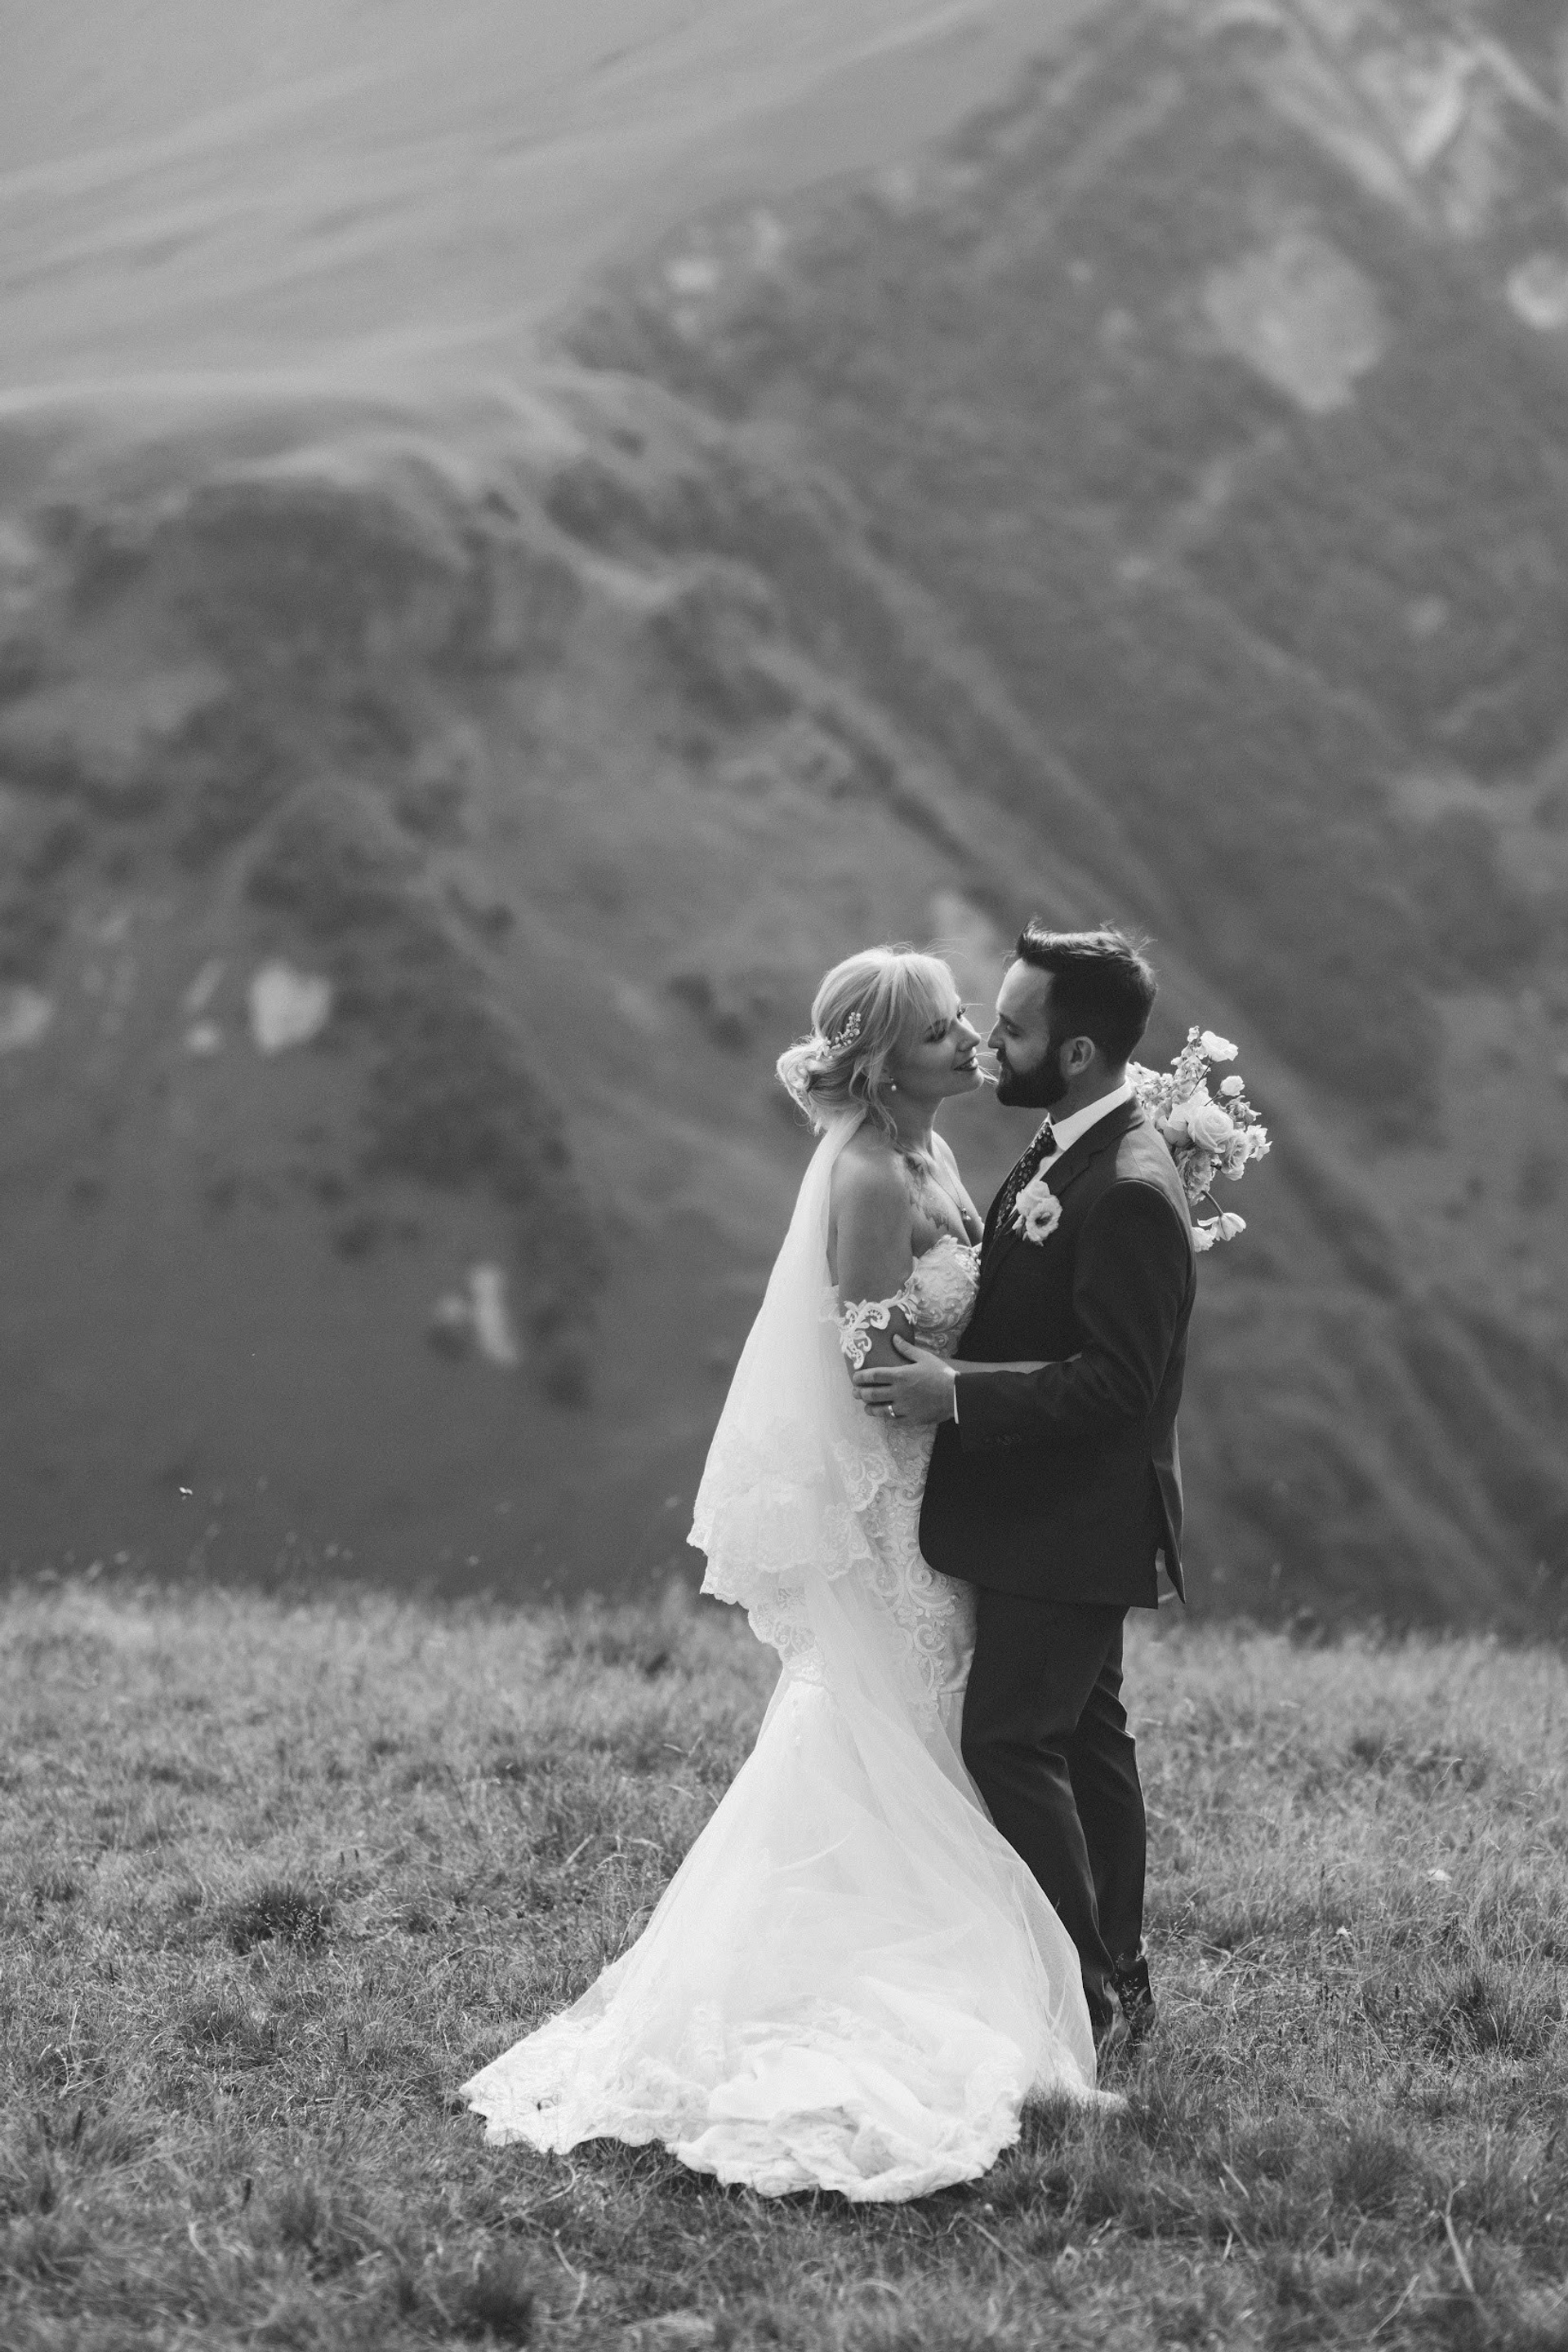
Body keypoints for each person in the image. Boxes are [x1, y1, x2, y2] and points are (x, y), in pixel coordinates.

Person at [461, 947, 1111, 2203]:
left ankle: (958, 1964)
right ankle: (902, 1990)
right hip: (900, 1498)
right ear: (882, 1061)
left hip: (953, 1484)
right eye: (941, 1030)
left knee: (937, 1730)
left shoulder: (933, 1151)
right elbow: (872, 1367)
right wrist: (985, 1413)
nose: (969, 1037)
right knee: (905, 1724)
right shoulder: (871, 1176)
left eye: (966, 1020)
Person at [852, 925, 1194, 2051]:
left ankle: (1086, 1991)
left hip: (1077, 1517)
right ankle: (1123, 1979)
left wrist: (960, 1396)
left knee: (1009, 1740)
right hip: (1046, 1512)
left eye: (1013, 1028)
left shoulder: (1132, 1185)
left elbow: (1120, 1385)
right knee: (1090, 1739)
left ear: (1082, 1053)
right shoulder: (1066, 1150)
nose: (989, 1043)